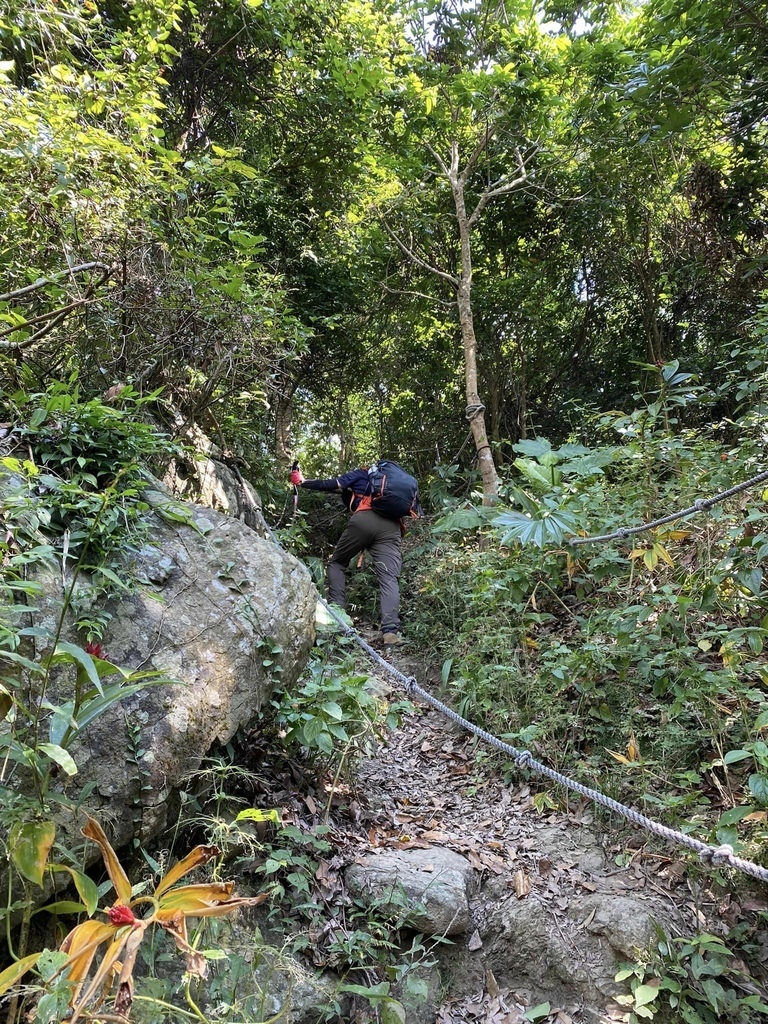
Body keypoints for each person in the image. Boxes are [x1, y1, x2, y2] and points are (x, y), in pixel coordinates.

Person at [292, 463, 406, 647]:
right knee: (389, 578)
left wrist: (303, 482)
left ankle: (337, 621)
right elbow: (340, 490)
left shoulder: (359, 474)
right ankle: (391, 633)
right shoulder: (390, 486)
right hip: (392, 527)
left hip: (365, 519)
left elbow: (333, 484)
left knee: (336, 564)